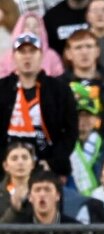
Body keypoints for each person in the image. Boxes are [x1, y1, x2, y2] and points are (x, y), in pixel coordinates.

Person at [0, 32, 78, 179]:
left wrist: (53, 163)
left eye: (32, 51)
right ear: (13, 56)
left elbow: (70, 131)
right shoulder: (1, 89)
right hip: (5, 170)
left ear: (41, 55)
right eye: (22, 51)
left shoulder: (59, 89)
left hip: (48, 169)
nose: (27, 56)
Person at [0, 12, 64, 78]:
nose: (31, 29)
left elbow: (60, 81)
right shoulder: (6, 59)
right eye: (27, 26)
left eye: (36, 26)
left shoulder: (52, 56)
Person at [0, 142, 36, 222]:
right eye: (14, 158)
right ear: (6, 166)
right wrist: (14, 210)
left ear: (32, 164)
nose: (20, 162)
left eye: (25, 158)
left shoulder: (42, 190)